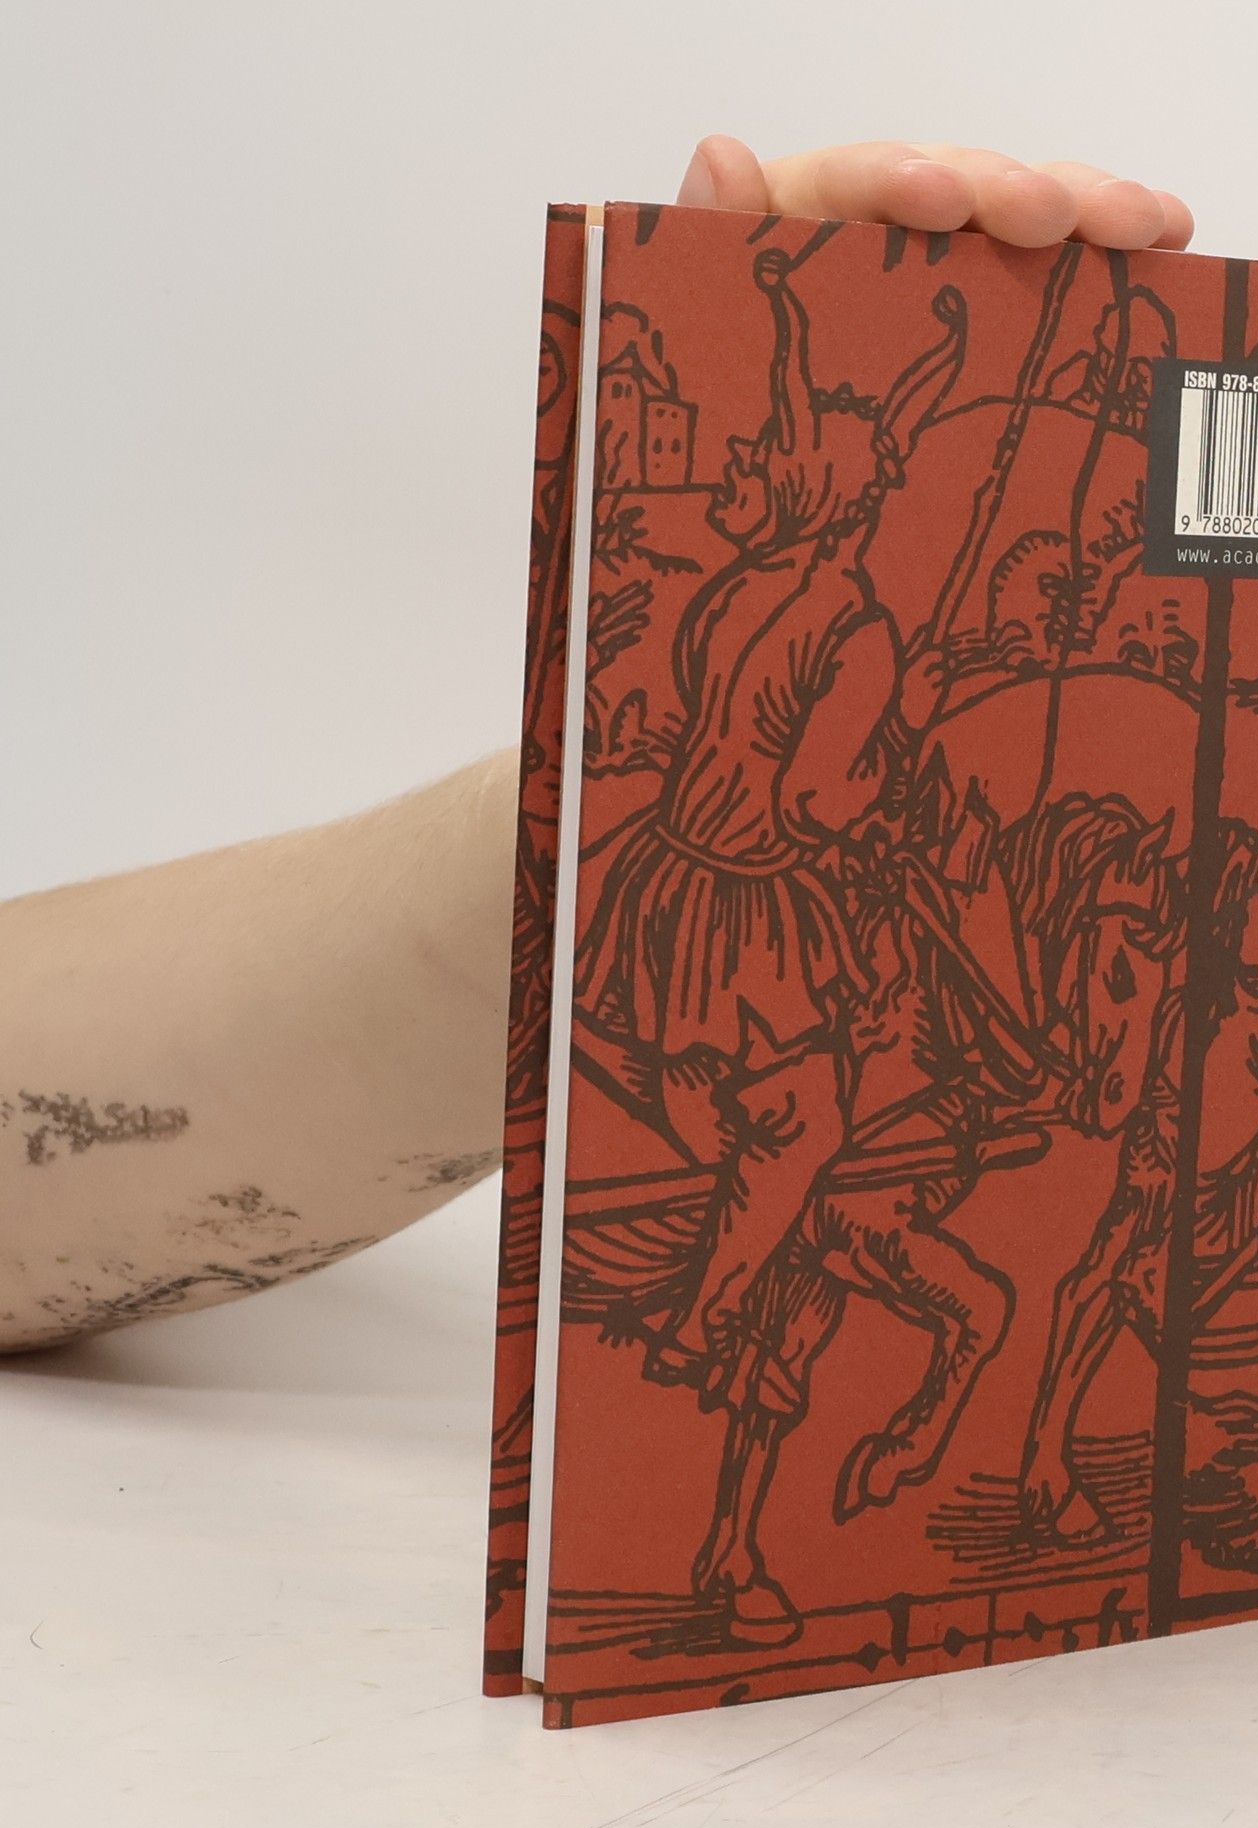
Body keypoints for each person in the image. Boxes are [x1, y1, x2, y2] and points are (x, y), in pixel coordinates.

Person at [0, 136, 1195, 1355]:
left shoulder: (741, 588)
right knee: (809, 1127)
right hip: (754, 904)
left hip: (659, 876)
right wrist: (883, 768)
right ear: (871, 499)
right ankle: (708, 1322)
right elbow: (819, 806)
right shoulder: (860, 634)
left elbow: (795, 425)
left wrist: (788, 309)